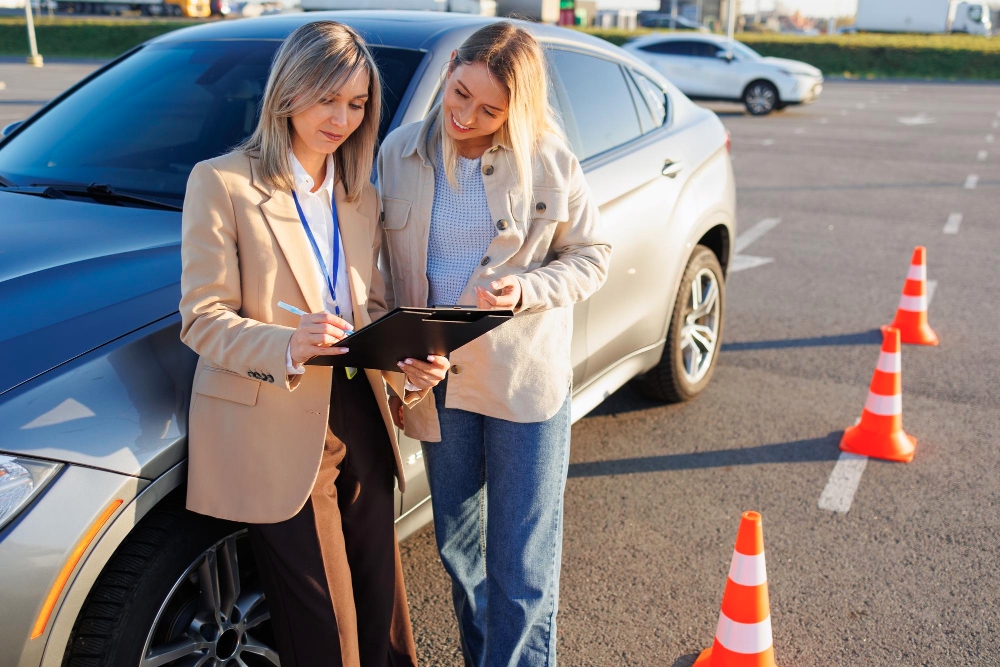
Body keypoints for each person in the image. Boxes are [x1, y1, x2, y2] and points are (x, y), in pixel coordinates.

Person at [178, 21, 449, 666]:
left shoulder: (358, 196)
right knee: (325, 630)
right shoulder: (223, 183)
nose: (342, 119)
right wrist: (287, 344)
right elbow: (201, 318)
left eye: (357, 105)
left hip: (361, 405)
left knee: (382, 611)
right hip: (278, 418)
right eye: (328, 99)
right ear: (288, 92)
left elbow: (372, 307)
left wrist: (410, 361)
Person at [376, 21, 611, 667]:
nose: (466, 117)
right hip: (436, 380)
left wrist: (528, 288)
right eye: (459, 94)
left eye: (489, 110)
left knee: (521, 562)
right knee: (458, 549)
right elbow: (373, 266)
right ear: (451, 66)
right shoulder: (398, 153)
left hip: (523, 379)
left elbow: (592, 257)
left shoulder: (549, 158)